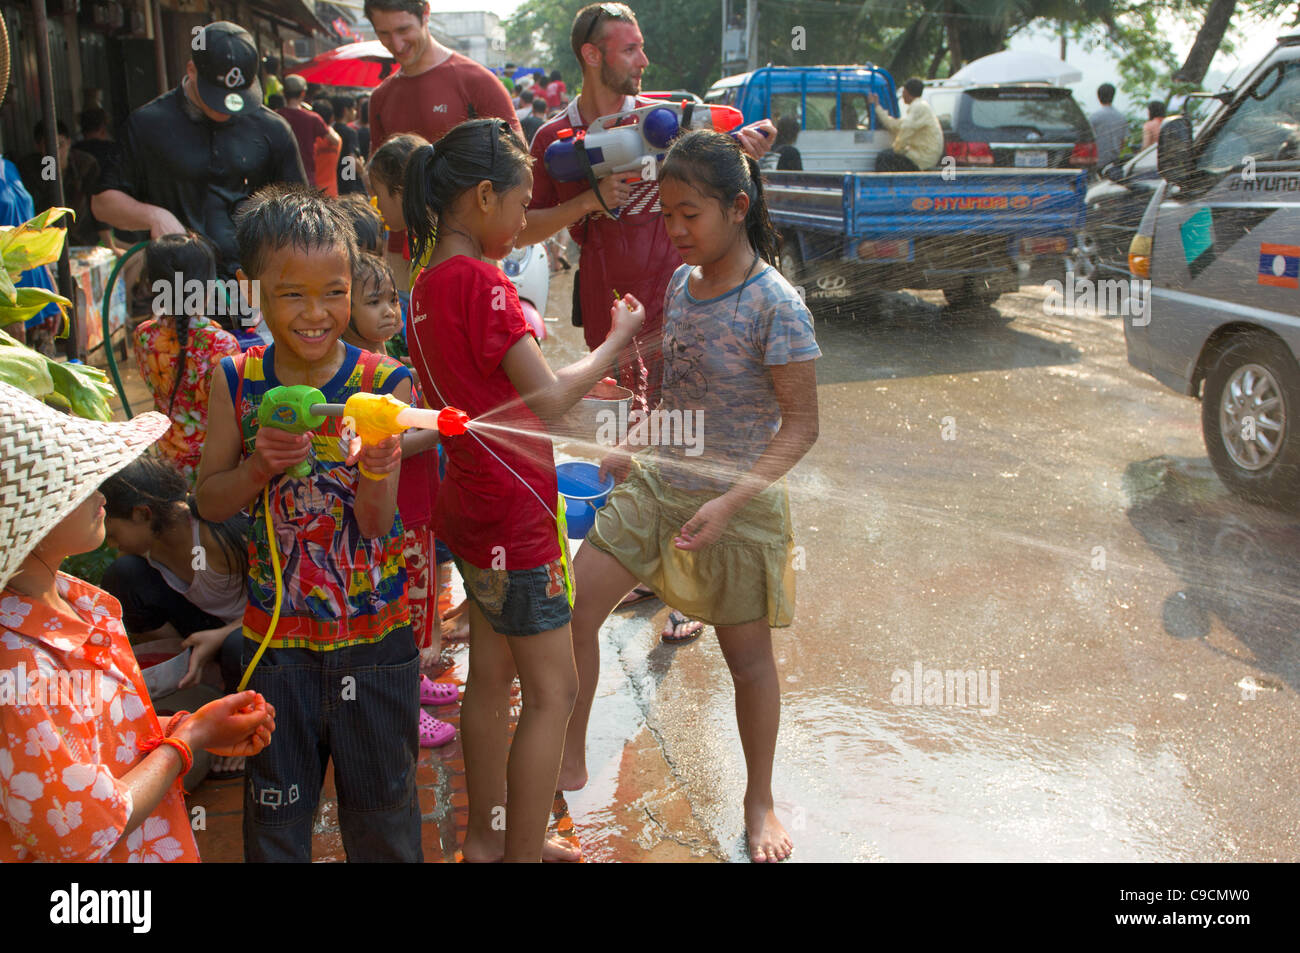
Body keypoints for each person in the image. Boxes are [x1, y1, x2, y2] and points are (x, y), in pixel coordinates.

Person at [566, 130, 820, 862]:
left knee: (748, 663)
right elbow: (679, 391)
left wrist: (731, 502)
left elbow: (801, 426)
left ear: (737, 208)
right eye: (666, 215)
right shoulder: (682, 284)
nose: (674, 232)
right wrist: (635, 438)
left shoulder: (777, 305)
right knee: (576, 604)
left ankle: (758, 798)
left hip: (736, 503)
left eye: (689, 216)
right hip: (658, 484)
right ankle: (573, 749)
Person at [402, 118, 646, 861]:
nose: (522, 223)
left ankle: (487, 837)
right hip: (517, 512)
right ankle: (519, 853)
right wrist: (616, 339)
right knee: (553, 693)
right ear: (481, 198)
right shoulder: (482, 281)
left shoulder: (424, 286)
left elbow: (487, 395)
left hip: (472, 507)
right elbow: (546, 401)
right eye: (517, 205)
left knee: (492, 676)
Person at [519, 2, 773, 645]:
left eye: (642, 47)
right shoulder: (555, 141)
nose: (643, 59)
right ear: (593, 54)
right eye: (630, 48)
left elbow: (724, 165)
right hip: (614, 311)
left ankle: (685, 588)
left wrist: (744, 149)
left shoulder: (669, 120)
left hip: (684, 301)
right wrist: (588, 199)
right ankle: (646, 562)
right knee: (632, 436)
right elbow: (523, 229)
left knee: (688, 434)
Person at [196, 185, 422, 861]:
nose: (317, 313)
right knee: (275, 828)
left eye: (335, 290)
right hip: (274, 650)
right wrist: (258, 468)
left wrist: (379, 467)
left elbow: (377, 526)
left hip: (373, 642)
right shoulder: (235, 380)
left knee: (383, 820)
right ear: (249, 289)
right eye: (292, 294)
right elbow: (209, 501)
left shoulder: (385, 383)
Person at [0, 381, 275, 862]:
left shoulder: (82, 604)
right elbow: (84, 829)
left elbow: (93, 745)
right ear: (31, 517)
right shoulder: (16, 663)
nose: (100, 490)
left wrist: (196, 725)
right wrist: (186, 742)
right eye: (79, 478)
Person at [92, 21, 305, 311]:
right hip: (179, 292)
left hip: (255, 288)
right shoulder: (147, 125)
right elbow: (103, 203)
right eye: (217, 97)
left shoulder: (273, 129)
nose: (227, 109)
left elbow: (301, 210)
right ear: (191, 70)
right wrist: (154, 216)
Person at [341, 252, 457, 747]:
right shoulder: (364, 377)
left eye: (394, 299)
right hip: (395, 517)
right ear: (344, 311)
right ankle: (401, 703)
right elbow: (376, 446)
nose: (392, 310)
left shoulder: (394, 365)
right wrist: (437, 428)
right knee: (399, 609)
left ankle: (411, 679)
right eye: (375, 302)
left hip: (418, 508)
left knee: (420, 599)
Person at [101, 456, 253, 780]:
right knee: (121, 575)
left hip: (259, 626)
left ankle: (243, 718)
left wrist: (222, 636)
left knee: (237, 647)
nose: (112, 543)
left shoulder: (220, 534)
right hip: (204, 626)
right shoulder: (141, 548)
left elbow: (289, 604)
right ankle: (193, 671)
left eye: (113, 533)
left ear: (143, 514)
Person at [364, 0, 524, 287]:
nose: (396, 44)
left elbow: (517, 170)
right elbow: (378, 181)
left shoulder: (476, 82)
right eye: (384, 34)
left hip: (470, 256)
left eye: (403, 29)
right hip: (402, 257)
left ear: (425, 12)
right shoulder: (381, 97)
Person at [132, 232, 241, 482]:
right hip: (216, 466)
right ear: (208, 285)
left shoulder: (143, 336)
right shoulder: (221, 344)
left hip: (166, 459)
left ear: (152, 284)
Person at [19, 120, 112, 249]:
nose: (56, 152)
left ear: (69, 143)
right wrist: (51, 169)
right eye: (49, 147)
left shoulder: (85, 164)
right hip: (46, 243)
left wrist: (109, 244)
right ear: (39, 147)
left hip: (84, 240)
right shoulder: (30, 169)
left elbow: (98, 203)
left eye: (60, 145)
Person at [867, 77, 943, 172]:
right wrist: (877, 106)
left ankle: (887, 186)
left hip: (921, 157)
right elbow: (895, 125)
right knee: (889, 156)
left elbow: (906, 128)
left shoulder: (919, 107)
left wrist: (897, 149)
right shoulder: (919, 108)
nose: (902, 95)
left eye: (903, 91)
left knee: (884, 158)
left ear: (906, 92)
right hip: (921, 154)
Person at [277, 74, 338, 191]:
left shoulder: (276, 116)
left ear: (284, 93)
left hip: (280, 181)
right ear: (303, 93)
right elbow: (334, 141)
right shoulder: (313, 118)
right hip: (306, 179)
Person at [331, 95, 367, 195]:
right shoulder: (350, 133)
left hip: (333, 180)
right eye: (353, 109)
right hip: (346, 183)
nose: (355, 112)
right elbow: (351, 159)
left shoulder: (331, 130)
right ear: (345, 110)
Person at [1091, 82, 1128, 170]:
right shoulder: (1121, 117)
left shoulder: (1094, 117)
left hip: (1097, 161)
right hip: (1114, 162)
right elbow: (1123, 142)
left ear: (1098, 97)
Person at [309, 98, 342, 197]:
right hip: (332, 193)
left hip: (313, 193)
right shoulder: (338, 139)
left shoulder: (312, 140)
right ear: (331, 118)